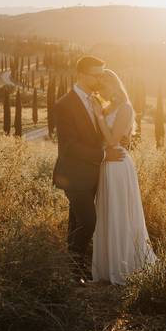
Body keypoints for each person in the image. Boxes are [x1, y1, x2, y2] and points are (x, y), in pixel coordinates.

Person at [52, 55, 124, 283]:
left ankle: (73, 271)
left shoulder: (95, 100)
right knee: (88, 221)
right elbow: (69, 147)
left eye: (103, 74)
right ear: (82, 75)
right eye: (97, 75)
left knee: (76, 223)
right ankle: (74, 271)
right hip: (72, 175)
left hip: (93, 174)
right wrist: (104, 155)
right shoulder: (65, 104)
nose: (101, 79)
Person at [90, 69, 157, 285]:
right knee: (108, 213)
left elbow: (112, 141)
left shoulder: (126, 109)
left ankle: (124, 266)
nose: (100, 89)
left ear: (112, 85)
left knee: (120, 213)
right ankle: (107, 268)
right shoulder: (108, 107)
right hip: (105, 165)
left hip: (118, 165)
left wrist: (99, 116)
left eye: (102, 85)